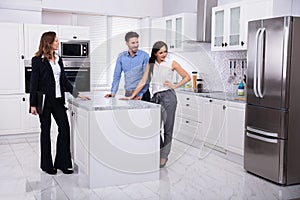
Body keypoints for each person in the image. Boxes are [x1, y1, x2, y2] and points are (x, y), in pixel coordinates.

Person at [122, 41, 191, 168]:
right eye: (161, 52)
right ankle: (161, 151)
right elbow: (143, 81)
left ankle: (164, 156)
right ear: (155, 53)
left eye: (165, 52)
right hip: (156, 98)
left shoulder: (172, 63)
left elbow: (187, 77)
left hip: (169, 97)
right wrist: (132, 95)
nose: (164, 54)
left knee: (168, 129)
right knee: (153, 128)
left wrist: (175, 86)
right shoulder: (151, 64)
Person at [30, 31, 90, 175]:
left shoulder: (59, 59)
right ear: (48, 43)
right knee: (46, 132)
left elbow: (64, 81)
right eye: (56, 41)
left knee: (64, 128)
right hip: (44, 101)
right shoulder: (38, 60)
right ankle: (47, 165)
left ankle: (62, 163)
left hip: (58, 100)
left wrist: (77, 93)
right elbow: (34, 83)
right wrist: (33, 104)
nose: (58, 43)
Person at [105, 31, 150, 101]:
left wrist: (140, 94)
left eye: (137, 42)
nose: (136, 45)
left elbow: (146, 78)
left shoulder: (145, 56)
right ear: (127, 43)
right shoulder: (121, 57)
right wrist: (113, 92)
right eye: (133, 43)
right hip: (128, 94)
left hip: (142, 95)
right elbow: (117, 76)